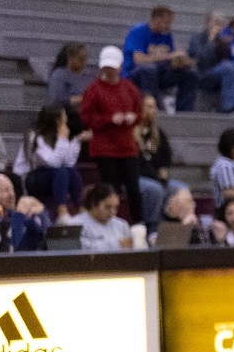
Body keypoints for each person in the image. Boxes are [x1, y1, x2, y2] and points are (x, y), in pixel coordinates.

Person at [80, 47, 146, 224]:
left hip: (127, 147)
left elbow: (140, 113)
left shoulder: (129, 88)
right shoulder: (93, 89)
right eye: (107, 67)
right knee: (112, 190)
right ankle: (113, 224)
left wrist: (133, 118)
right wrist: (109, 119)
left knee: (134, 189)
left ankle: (138, 226)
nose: (110, 71)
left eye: (113, 67)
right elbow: (86, 117)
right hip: (105, 149)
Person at [123, 5, 198, 113]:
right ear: (157, 19)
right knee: (149, 69)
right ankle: (157, 110)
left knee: (190, 74)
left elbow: (170, 60)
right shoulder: (138, 31)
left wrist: (182, 61)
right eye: (167, 22)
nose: (169, 26)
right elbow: (138, 60)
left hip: (158, 74)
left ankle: (184, 112)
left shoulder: (166, 35)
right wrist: (169, 56)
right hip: (135, 74)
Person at [14, 105, 85, 217]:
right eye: (64, 117)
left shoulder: (59, 135)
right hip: (30, 178)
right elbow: (52, 163)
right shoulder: (34, 136)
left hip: (50, 176)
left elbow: (69, 163)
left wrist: (76, 141)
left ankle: (81, 209)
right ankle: (62, 211)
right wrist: (62, 139)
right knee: (61, 172)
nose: (66, 119)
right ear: (57, 121)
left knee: (71, 172)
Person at [133, 97, 187, 230]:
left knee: (181, 188)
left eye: (155, 106)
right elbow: (137, 163)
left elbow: (166, 157)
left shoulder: (158, 133)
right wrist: (157, 177)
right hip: (136, 177)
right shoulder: (131, 134)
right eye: (150, 107)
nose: (154, 110)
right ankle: (152, 229)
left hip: (156, 177)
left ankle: (176, 227)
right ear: (140, 109)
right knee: (155, 189)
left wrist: (164, 169)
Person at [47, 44, 95, 133]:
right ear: (70, 58)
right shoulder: (59, 75)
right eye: (80, 59)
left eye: (84, 59)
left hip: (84, 114)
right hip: (67, 116)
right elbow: (57, 99)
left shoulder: (88, 76)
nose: (83, 62)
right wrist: (80, 99)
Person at [75, 184, 134, 251]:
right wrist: (117, 244)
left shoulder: (122, 225)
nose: (112, 212)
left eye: (116, 208)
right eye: (107, 207)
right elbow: (80, 249)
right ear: (93, 203)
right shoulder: (76, 224)